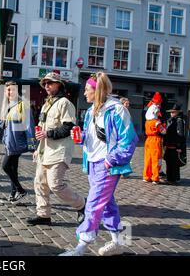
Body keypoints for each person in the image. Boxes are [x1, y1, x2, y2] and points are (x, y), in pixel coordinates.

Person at [60, 72, 138, 256]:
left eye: (87, 89)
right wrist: (80, 138)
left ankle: (81, 247)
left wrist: (111, 160)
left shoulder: (117, 109)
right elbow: (92, 137)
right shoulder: (90, 111)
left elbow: (129, 139)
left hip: (107, 165)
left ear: (98, 90)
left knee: (93, 204)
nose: (84, 93)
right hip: (92, 163)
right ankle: (120, 241)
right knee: (107, 203)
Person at [27, 72, 86, 226]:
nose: (47, 86)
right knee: (39, 183)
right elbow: (42, 128)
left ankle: (82, 205)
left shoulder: (65, 103)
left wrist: (48, 133)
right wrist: (37, 147)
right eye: (45, 83)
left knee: (55, 184)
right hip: (44, 150)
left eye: (50, 83)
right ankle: (43, 215)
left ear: (58, 84)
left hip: (59, 150)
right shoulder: (46, 104)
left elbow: (69, 127)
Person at [0, 81, 36, 205]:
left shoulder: (23, 105)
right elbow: (8, 122)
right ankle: (13, 195)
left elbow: (29, 126)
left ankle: (21, 190)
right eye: (7, 90)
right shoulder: (10, 105)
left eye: (12, 89)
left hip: (16, 143)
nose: (10, 92)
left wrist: (32, 145)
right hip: (10, 142)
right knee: (13, 168)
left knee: (5, 166)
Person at [143, 92, 166, 185]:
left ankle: (146, 176)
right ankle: (155, 177)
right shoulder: (157, 122)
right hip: (155, 140)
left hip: (148, 140)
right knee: (156, 159)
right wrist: (164, 126)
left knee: (148, 158)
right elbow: (163, 131)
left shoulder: (147, 122)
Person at [163, 104, 186, 185]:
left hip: (175, 145)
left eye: (173, 112)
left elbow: (181, 134)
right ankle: (169, 177)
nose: (171, 113)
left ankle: (174, 179)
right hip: (169, 144)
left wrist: (179, 146)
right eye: (171, 112)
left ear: (177, 112)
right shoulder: (170, 120)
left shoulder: (179, 120)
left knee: (174, 163)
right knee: (168, 162)